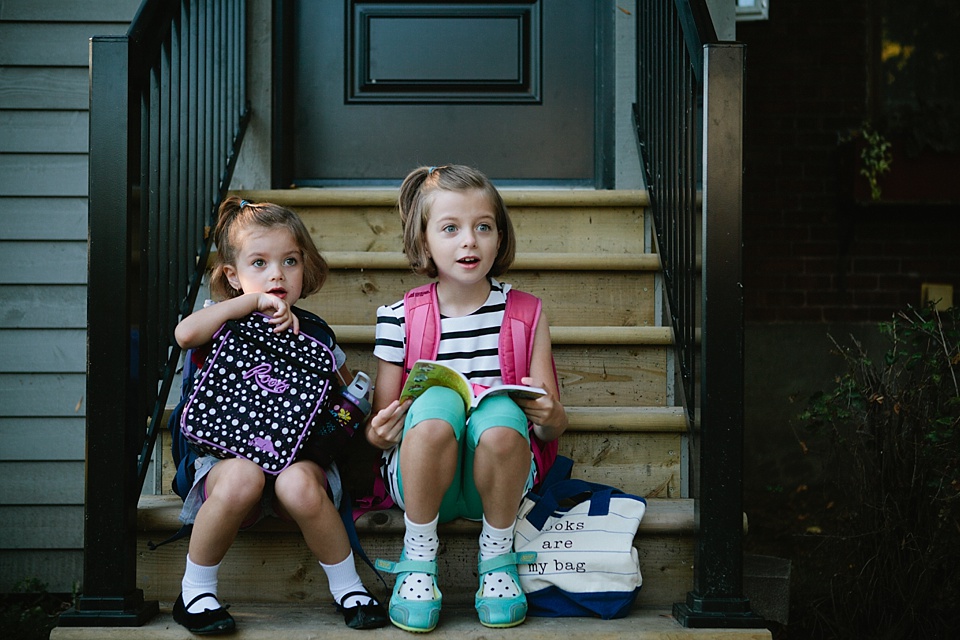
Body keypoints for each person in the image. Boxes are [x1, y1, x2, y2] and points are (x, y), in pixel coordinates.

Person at [171, 196, 388, 634]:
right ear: (232, 276)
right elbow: (184, 334)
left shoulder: (316, 333)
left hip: (298, 456)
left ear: (304, 268)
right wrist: (248, 306)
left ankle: (349, 588)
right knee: (243, 477)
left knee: (299, 485)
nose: (276, 274)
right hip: (225, 457)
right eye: (259, 262)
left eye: (289, 261)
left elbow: (347, 395)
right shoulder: (221, 321)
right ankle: (195, 592)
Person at [366, 165, 568, 632]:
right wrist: (378, 433)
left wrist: (550, 416)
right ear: (423, 242)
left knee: (498, 411)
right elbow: (379, 426)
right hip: (420, 481)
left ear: (500, 236)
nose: (469, 242)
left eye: (483, 227)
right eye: (450, 228)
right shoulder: (398, 317)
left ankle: (498, 557)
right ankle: (418, 559)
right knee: (436, 406)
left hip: (499, 485)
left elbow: (550, 428)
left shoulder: (525, 312)